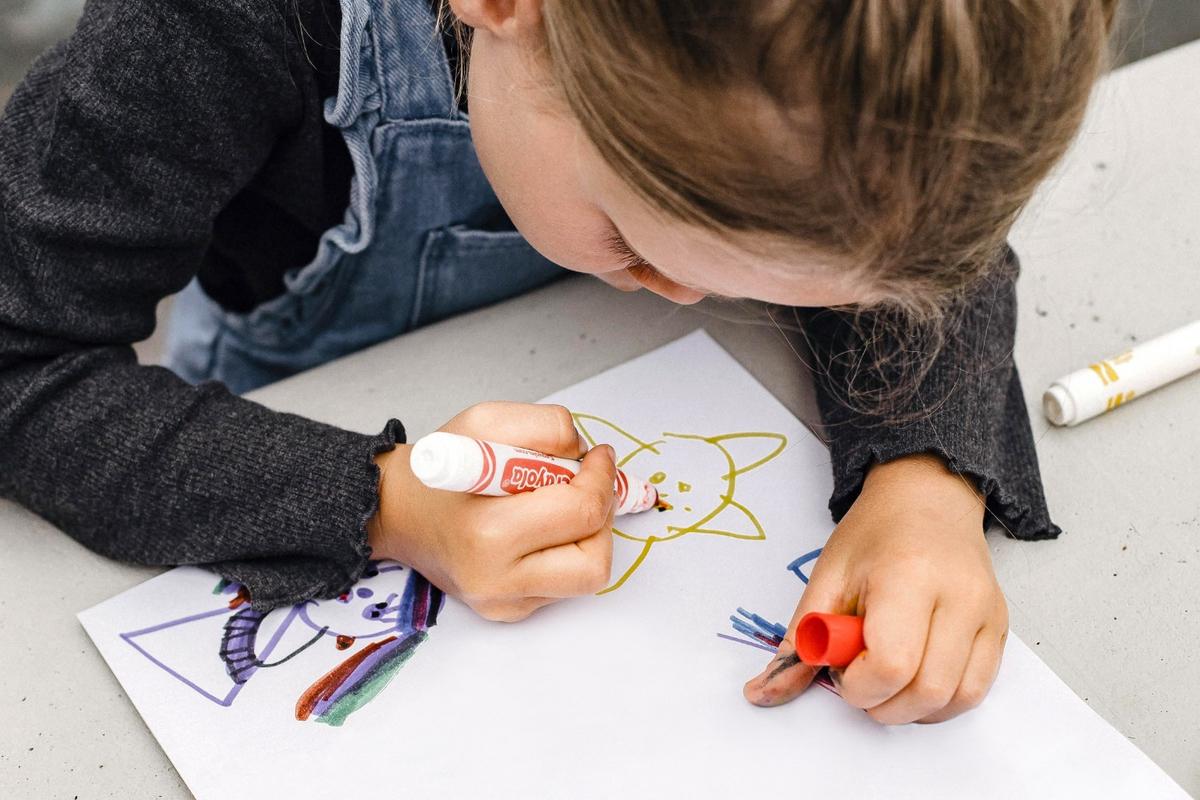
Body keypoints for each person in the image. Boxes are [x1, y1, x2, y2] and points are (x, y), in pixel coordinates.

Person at [0, 0, 1116, 725]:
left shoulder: (871, 89)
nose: (685, 294)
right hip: (273, 394)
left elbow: (919, 249)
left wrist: (924, 479)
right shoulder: (214, 28)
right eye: (636, 243)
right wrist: (379, 501)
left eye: (754, 280)